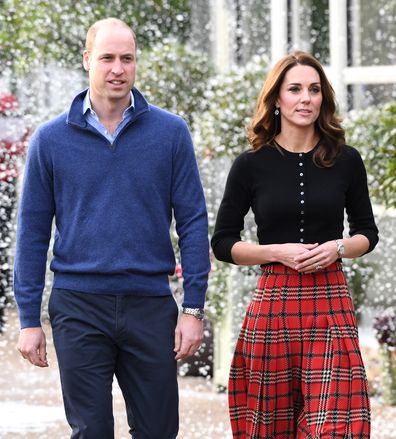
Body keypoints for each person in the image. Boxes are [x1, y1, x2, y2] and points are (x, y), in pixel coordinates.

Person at [14, 17, 210, 439]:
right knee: (91, 432)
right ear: (87, 60)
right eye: (107, 58)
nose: (117, 68)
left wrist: (193, 309)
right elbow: (32, 232)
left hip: (150, 304)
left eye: (127, 59)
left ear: (137, 63)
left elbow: (193, 223)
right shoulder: (50, 140)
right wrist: (29, 319)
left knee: (159, 431)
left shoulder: (171, 133)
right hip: (78, 305)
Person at [211, 51, 378, 438]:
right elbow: (223, 242)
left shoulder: (347, 160)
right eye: (295, 89)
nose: (306, 98)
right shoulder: (250, 164)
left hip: (330, 303)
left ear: (324, 99)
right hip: (274, 304)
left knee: (339, 428)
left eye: (314, 90)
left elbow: (367, 233)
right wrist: (276, 252)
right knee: (268, 428)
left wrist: (338, 247)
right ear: (276, 100)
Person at [0, 93, 29, 331]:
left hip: (4, 183)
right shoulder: (8, 102)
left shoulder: (7, 102)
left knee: (1, 247)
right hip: (6, 181)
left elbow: (21, 141)